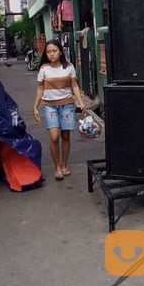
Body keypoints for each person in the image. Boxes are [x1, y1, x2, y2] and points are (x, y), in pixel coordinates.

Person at [33, 39, 85, 180]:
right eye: (48, 51)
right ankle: (57, 167)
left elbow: (74, 86)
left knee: (66, 136)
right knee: (54, 137)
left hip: (67, 105)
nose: (51, 54)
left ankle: (64, 164)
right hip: (50, 106)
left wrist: (81, 102)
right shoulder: (43, 69)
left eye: (54, 51)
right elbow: (40, 88)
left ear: (60, 52)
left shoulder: (68, 67)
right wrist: (35, 107)